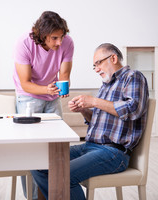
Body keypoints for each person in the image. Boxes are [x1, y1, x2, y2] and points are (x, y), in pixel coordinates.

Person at [31, 43, 149, 200]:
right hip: (90, 146)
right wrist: (84, 110)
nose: (96, 69)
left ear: (113, 58)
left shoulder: (133, 77)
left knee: (63, 175)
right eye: (94, 66)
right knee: (38, 163)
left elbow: (132, 109)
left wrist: (93, 102)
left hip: (113, 152)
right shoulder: (106, 86)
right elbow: (97, 120)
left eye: (98, 63)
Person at [13, 11, 74, 200]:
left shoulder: (67, 42)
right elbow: (25, 83)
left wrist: (63, 86)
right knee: (31, 148)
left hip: (51, 94)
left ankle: (56, 194)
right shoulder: (24, 43)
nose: (59, 42)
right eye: (54, 38)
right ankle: (32, 197)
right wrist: (46, 90)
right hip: (28, 96)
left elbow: (64, 75)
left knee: (59, 144)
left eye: (61, 37)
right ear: (42, 34)